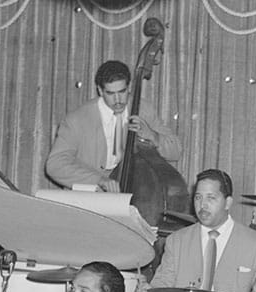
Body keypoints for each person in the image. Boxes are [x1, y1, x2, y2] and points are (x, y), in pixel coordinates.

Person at [137, 169, 256, 292]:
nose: (202, 205)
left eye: (211, 198)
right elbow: (161, 288)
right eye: (198, 197)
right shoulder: (176, 241)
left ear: (228, 203)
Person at [45, 59, 182, 192]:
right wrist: (99, 180)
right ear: (100, 90)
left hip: (133, 192)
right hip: (89, 195)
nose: (118, 100)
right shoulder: (77, 120)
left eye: (122, 92)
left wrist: (153, 136)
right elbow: (55, 164)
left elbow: (176, 151)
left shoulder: (143, 110)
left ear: (129, 87)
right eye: (110, 93)